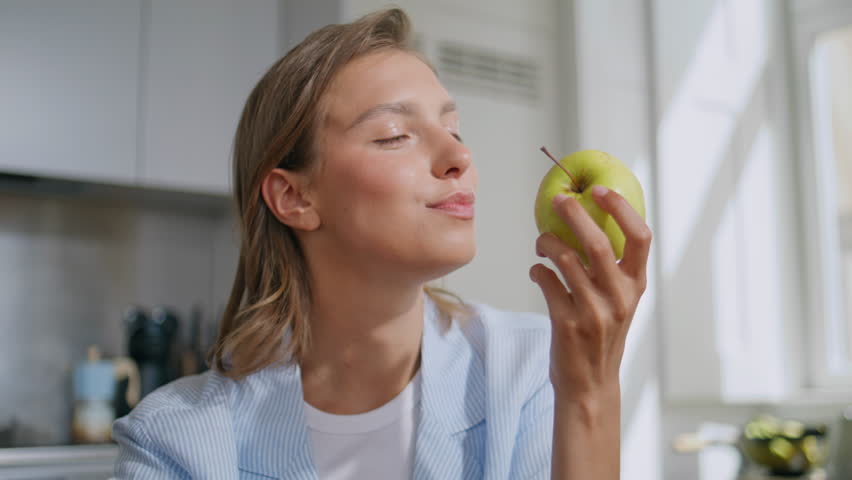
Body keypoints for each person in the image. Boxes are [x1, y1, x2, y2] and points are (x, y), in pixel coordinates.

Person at [113, 7, 651, 480]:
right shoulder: (174, 443)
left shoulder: (532, 370)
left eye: (455, 130)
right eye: (394, 135)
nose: (459, 157)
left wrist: (588, 396)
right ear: (294, 197)